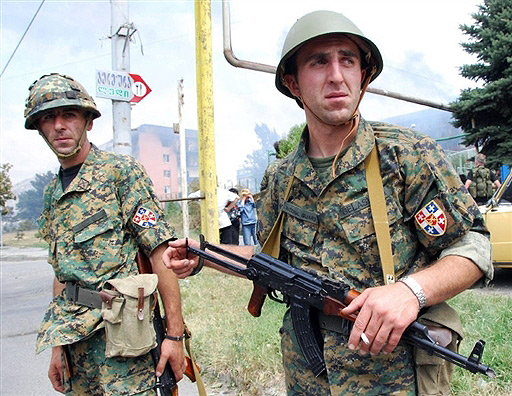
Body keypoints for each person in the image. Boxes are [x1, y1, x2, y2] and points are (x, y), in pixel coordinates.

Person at [163, 11, 493, 396]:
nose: (336, 75)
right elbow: (270, 256)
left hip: (393, 377)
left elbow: (472, 245)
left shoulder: (405, 156)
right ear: (293, 83)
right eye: (319, 61)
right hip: (307, 374)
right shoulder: (281, 178)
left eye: (347, 60)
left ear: (363, 77)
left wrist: (409, 292)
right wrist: (206, 253)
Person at [24, 73, 186, 395]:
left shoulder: (119, 173)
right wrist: (58, 344)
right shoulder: (52, 193)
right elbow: (62, 273)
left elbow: (160, 254)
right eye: (48, 118)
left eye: (69, 115)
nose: (59, 125)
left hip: (125, 344)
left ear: (88, 122)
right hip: (75, 343)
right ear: (40, 128)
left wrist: (174, 336)